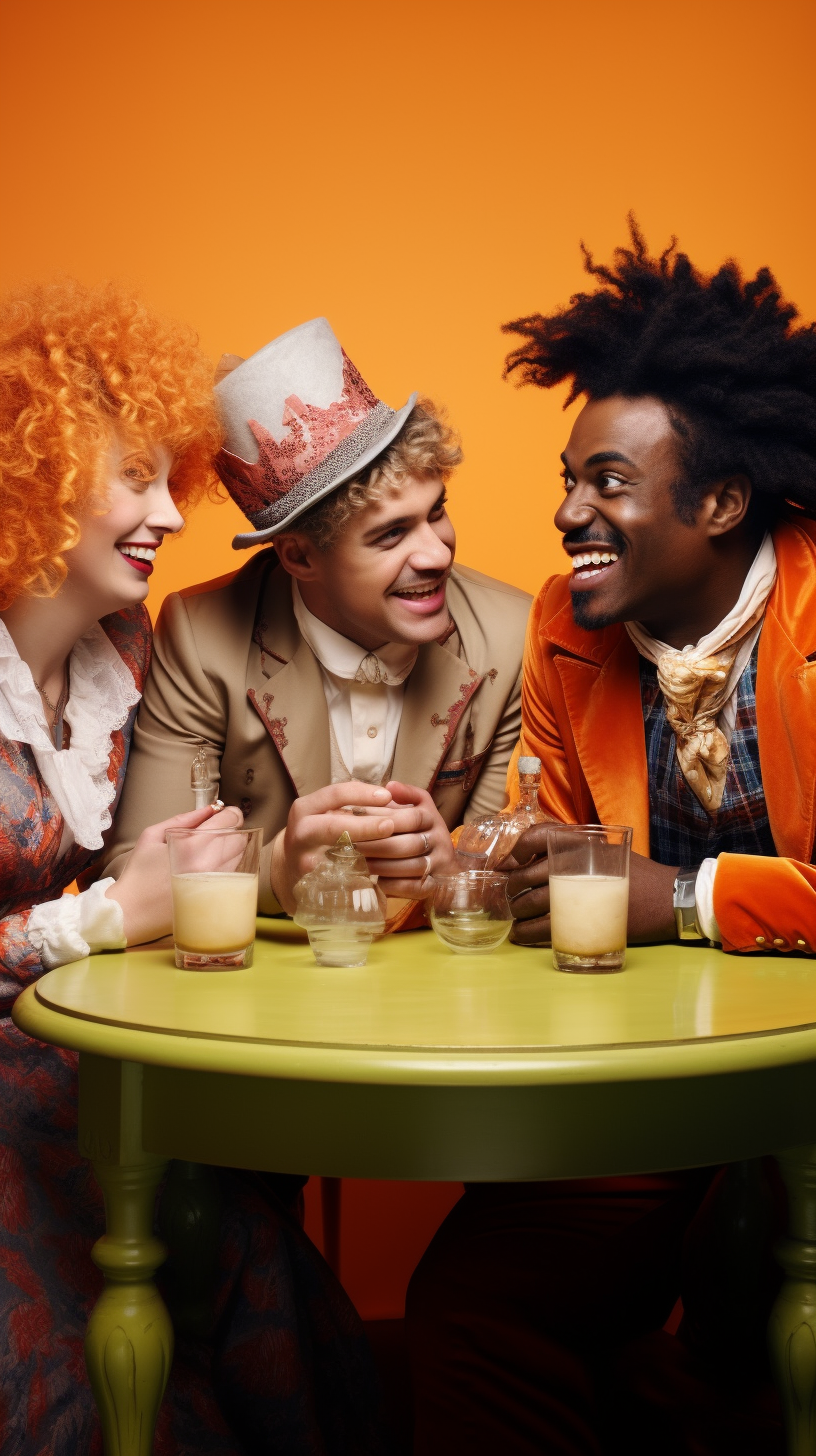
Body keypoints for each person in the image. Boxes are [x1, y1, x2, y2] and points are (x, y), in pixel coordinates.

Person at [405, 223, 815, 1454]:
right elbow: (562, 848)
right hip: (654, 1089)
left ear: (724, 500)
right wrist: (483, 862)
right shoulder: (564, 623)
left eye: (609, 484)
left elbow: (637, 889)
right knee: (467, 1311)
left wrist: (681, 898)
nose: (568, 510)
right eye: (569, 477)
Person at [0, 284, 383, 1456]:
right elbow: (114, 908)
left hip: (95, 1062)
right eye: (134, 479)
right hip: (19, 1112)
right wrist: (109, 912)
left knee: (252, 1251)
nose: (171, 512)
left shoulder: (130, 647)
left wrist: (235, 868)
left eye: (175, 477)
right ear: (36, 474)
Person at [105, 316, 531, 926]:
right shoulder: (200, 637)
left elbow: (514, 872)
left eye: (436, 513)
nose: (438, 554)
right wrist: (275, 871)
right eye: (390, 535)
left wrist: (457, 874)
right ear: (301, 556)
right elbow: (128, 871)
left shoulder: (514, 636)